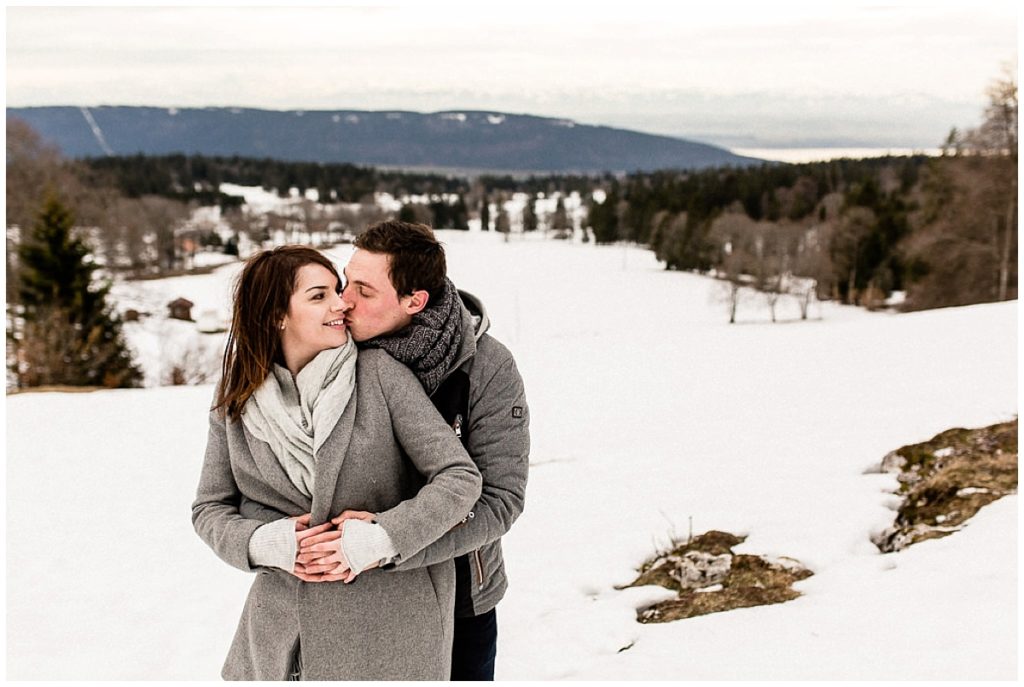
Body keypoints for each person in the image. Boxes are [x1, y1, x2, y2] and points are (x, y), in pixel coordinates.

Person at [191, 245, 482, 680]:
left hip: (390, 632)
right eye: (318, 296)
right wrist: (264, 544)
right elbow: (209, 509)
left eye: (337, 290)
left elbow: (459, 478)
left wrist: (382, 537)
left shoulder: (380, 375)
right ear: (276, 316)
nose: (340, 303)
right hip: (282, 638)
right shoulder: (236, 399)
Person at [329, 220, 530, 680]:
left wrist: (387, 540)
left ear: (414, 300)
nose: (345, 300)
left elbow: (500, 501)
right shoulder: (336, 351)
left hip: (459, 599)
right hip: (351, 596)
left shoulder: (486, 367)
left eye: (364, 289)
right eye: (345, 281)